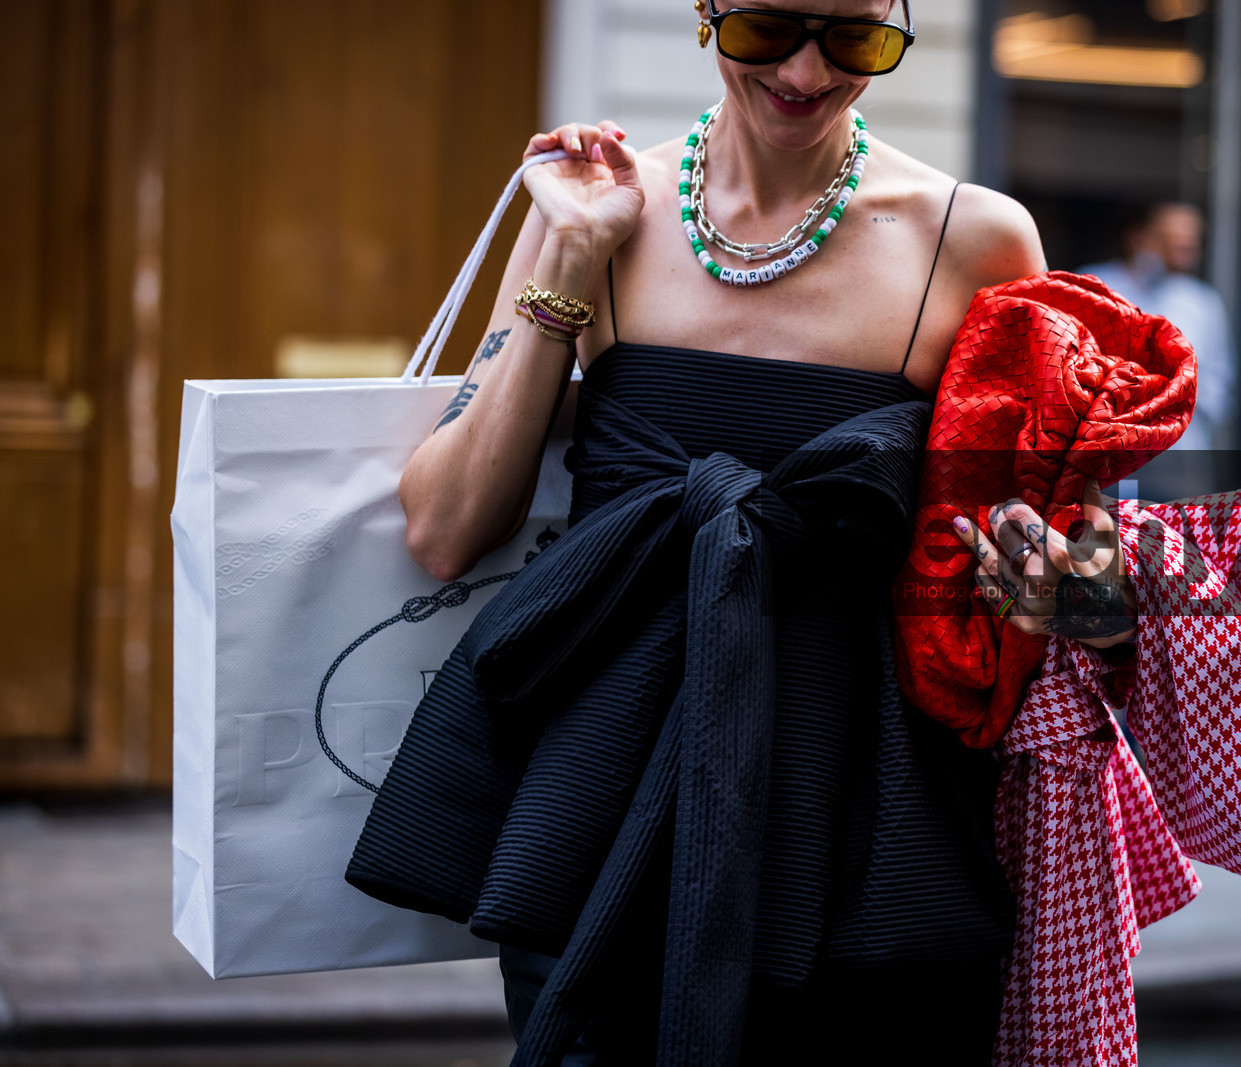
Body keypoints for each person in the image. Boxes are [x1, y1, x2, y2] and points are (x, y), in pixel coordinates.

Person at [340, 2, 1118, 1063]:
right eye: (766, 27)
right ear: (706, 14)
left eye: (854, 39)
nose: (805, 69)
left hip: (868, 834)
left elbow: (1053, 534)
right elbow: (444, 525)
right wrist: (568, 261)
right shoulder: (599, 210)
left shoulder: (975, 238)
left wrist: (1074, 581)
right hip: (602, 820)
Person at [1078, 202, 1235, 499]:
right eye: (1173, 239)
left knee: (1181, 538)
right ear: (1141, 238)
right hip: (1109, 448)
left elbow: (1219, 383)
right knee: (1109, 535)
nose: (1186, 249)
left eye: (1192, 241)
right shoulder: (1094, 286)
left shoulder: (1202, 302)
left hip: (1181, 451)